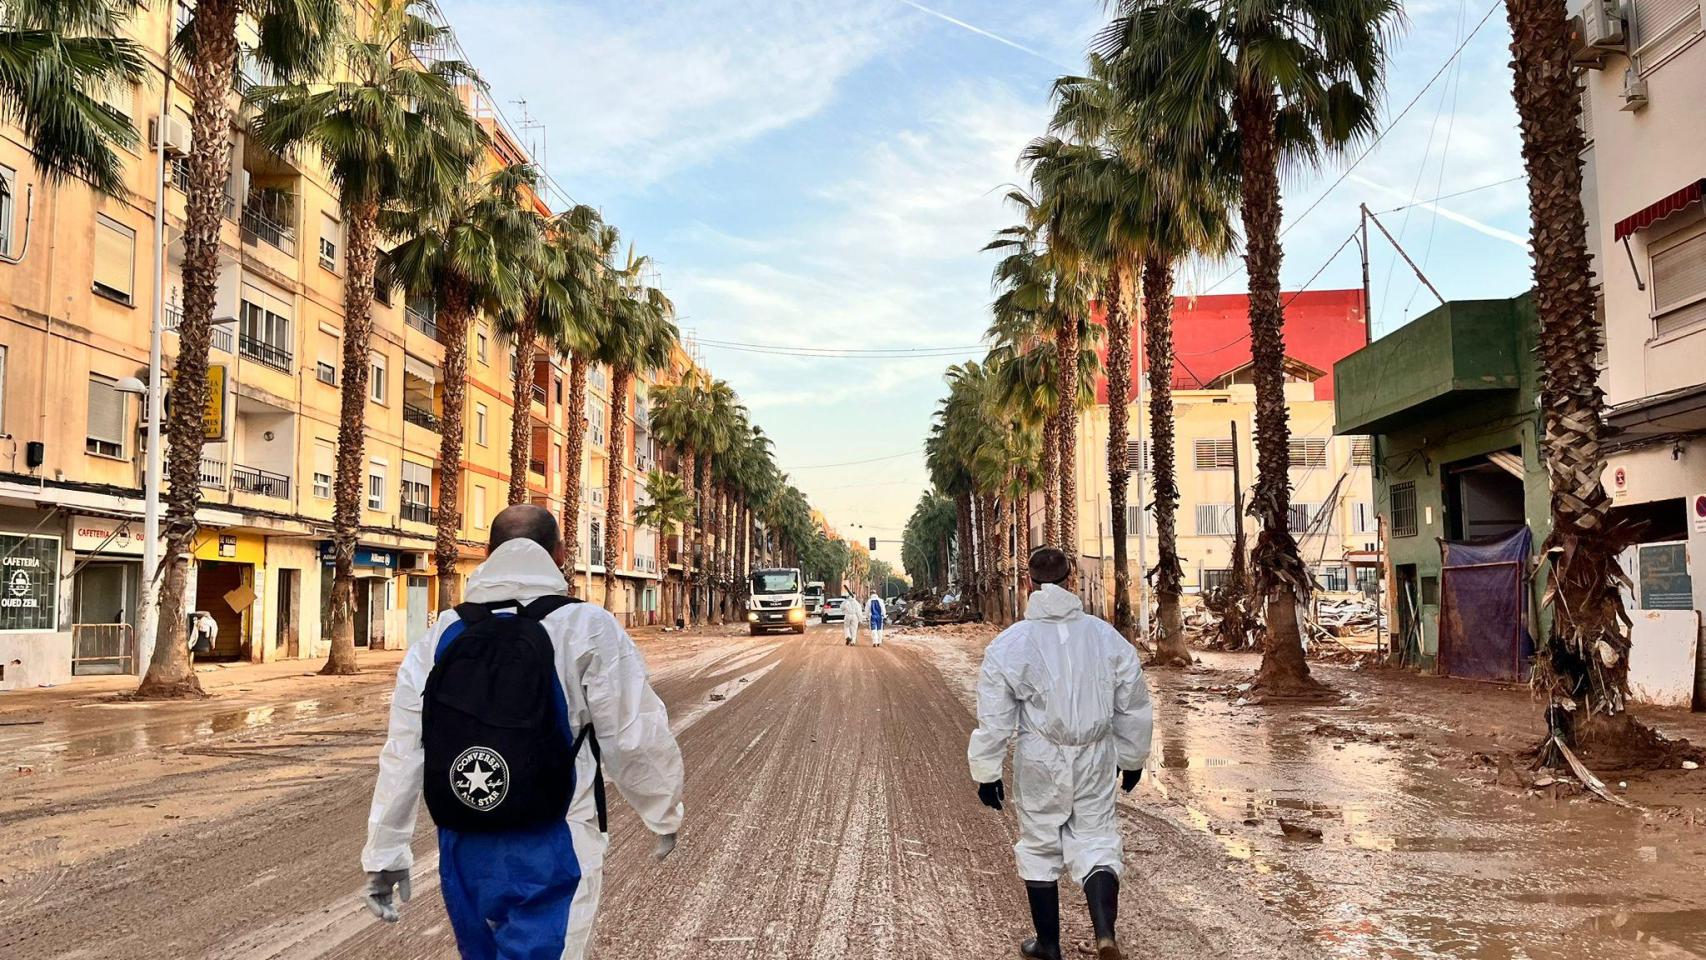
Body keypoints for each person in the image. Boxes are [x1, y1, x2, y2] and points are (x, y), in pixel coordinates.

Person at [361, 504, 686, 960]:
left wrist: (385, 854)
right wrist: (663, 813)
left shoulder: (442, 634)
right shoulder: (586, 626)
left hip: (464, 844)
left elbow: (404, 751)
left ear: (490, 554)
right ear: (558, 555)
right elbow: (633, 735)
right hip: (556, 844)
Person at [967, 547, 1153, 960]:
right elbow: (1134, 704)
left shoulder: (1010, 644)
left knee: (1039, 845)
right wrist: (1133, 758)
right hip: (1095, 755)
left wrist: (987, 771)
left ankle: (1049, 946)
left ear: (1029, 583)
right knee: (1098, 839)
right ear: (1071, 581)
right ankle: (1105, 933)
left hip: (1041, 759)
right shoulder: (1106, 637)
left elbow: (994, 718)